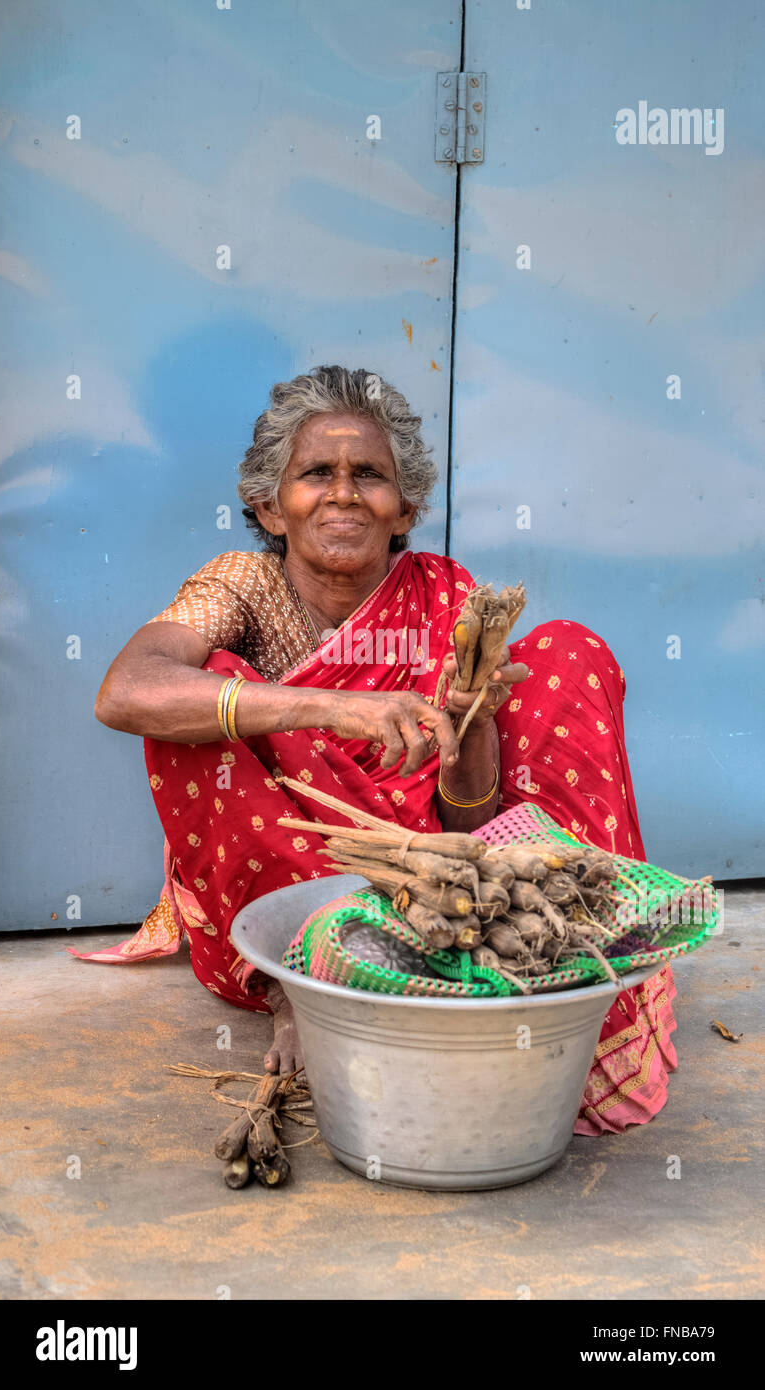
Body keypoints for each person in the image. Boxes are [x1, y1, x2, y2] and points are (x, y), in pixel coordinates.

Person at [79, 365, 677, 1135]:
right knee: (209, 695)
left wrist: (474, 726)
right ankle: (300, 983)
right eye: (314, 474)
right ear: (268, 504)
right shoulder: (243, 585)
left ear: (406, 509)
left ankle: (565, 962)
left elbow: (469, 823)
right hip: (290, 878)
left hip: (435, 884)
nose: (342, 492)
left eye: (369, 475)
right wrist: (332, 706)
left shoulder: (445, 598)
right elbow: (124, 692)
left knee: (567, 651)